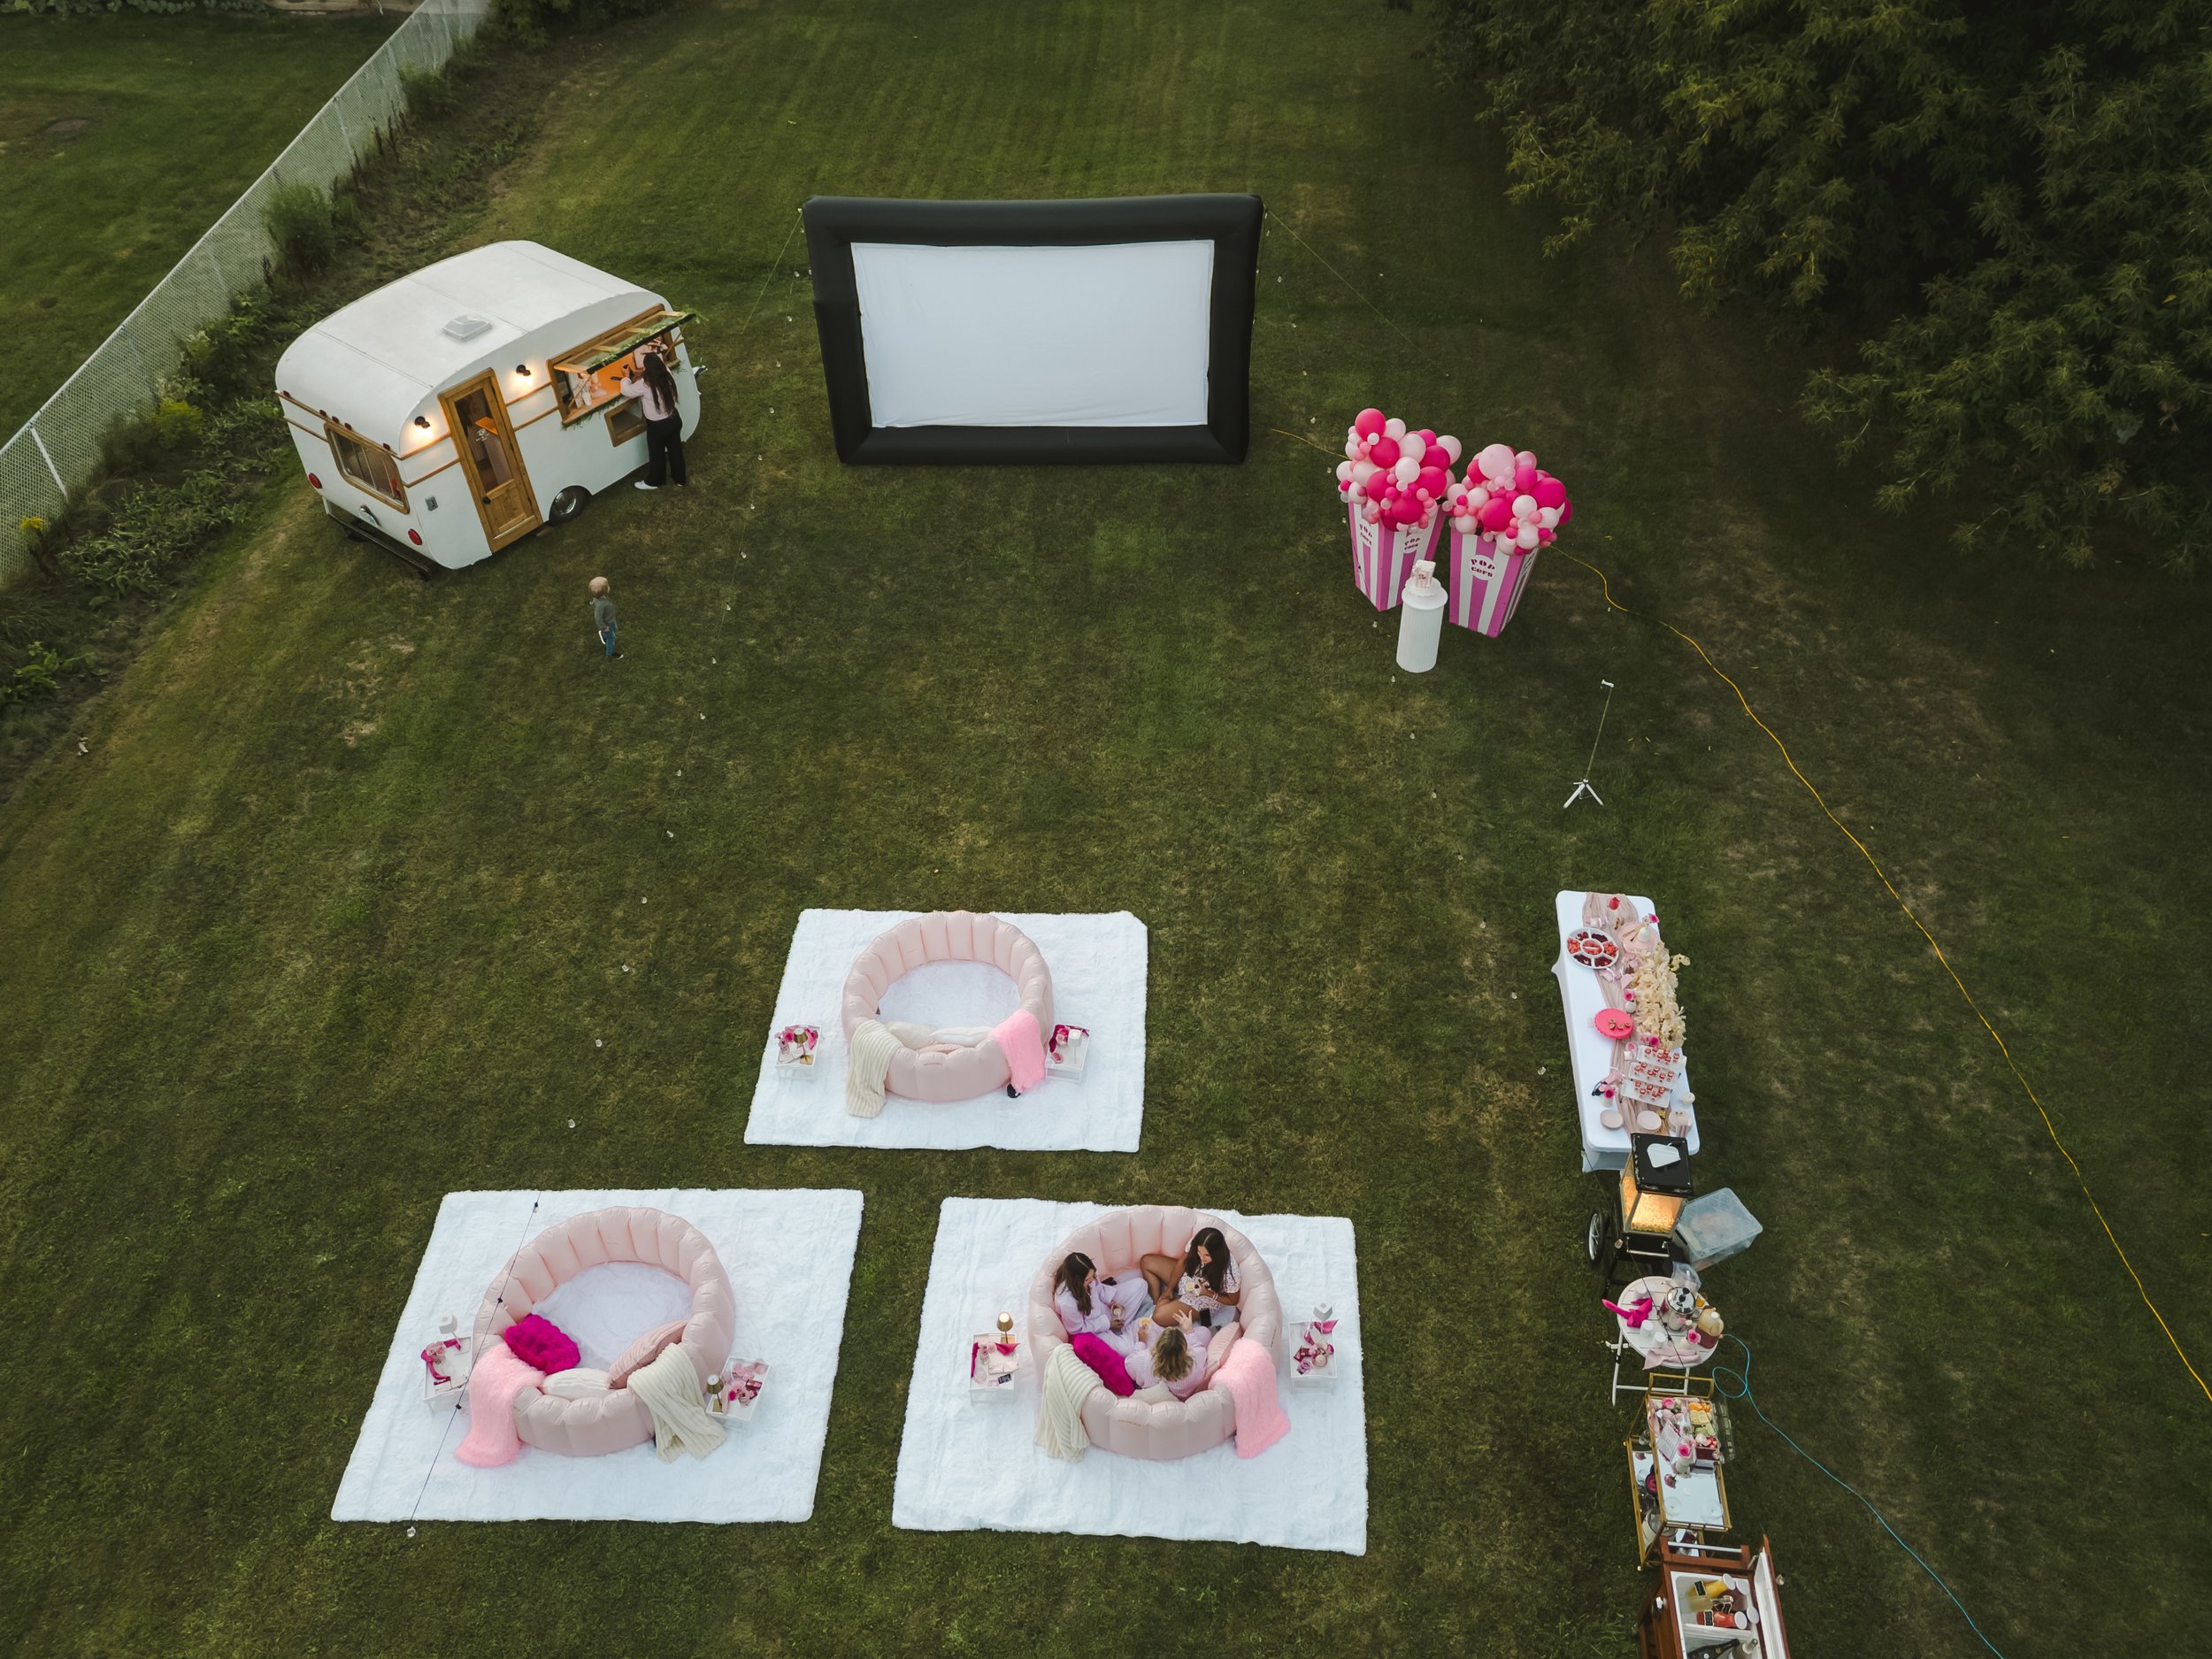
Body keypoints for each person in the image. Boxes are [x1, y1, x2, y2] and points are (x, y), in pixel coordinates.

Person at [1141, 1226, 1240, 1331]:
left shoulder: (1229, 1271)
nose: (1202, 1258)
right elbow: (1182, 1262)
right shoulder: (1196, 1242)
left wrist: (1207, 1293)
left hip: (1204, 1299)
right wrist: (1169, 1289)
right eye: (1199, 1252)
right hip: (1187, 1278)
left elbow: (1233, 1300)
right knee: (1146, 1261)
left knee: (1158, 1316)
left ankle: (1169, 1306)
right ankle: (1158, 1301)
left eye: (1207, 1255)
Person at [618, 342, 687, 490]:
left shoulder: (645, 384)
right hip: (674, 419)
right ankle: (680, 478)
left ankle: (655, 481)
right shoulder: (667, 374)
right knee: (675, 451)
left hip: (658, 426)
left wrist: (626, 378)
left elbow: (627, 391)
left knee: (656, 454)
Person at [1052, 1252, 1147, 1340]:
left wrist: (1112, 1303)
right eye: (1088, 1279)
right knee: (1125, 1351)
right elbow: (1077, 1330)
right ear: (1076, 1281)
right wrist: (1108, 1324)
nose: (1093, 1280)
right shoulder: (1067, 1303)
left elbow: (1099, 1288)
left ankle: (1121, 1326)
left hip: (1103, 1308)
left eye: (1093, 1275)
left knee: (1141, 1285)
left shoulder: (1089, 1273)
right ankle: (1121, 1330)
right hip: (1095, 1327)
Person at [589, 575, 620, 660]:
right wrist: (603, 627)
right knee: (611, 638)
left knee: (613, 631)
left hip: (610, 620)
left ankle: (604, 635)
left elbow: (594, 601)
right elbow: (597, 617)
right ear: (605, 591)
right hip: (608, 624)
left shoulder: (598, 599)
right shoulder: (601, 604)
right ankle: (610, 654)